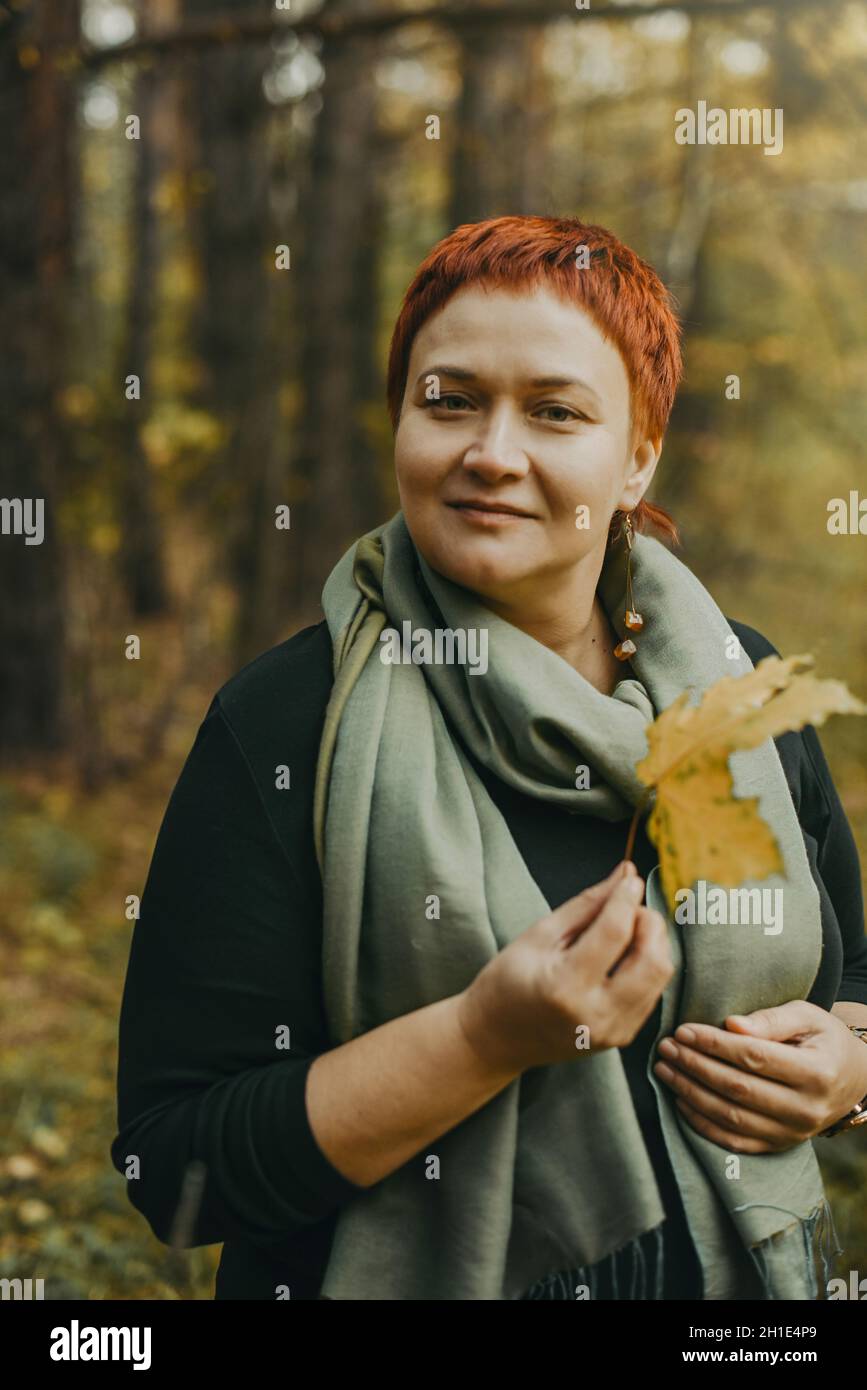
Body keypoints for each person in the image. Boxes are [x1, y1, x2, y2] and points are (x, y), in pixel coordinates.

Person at [111, 215, 867, 1301]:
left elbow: (857, 977)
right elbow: (174, 1163)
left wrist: (847, 1072)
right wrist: (480, 1037)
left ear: (636, 456)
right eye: (449, 400)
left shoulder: (741, 693)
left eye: (554, 412)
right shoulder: (285, 723)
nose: (491, 453)